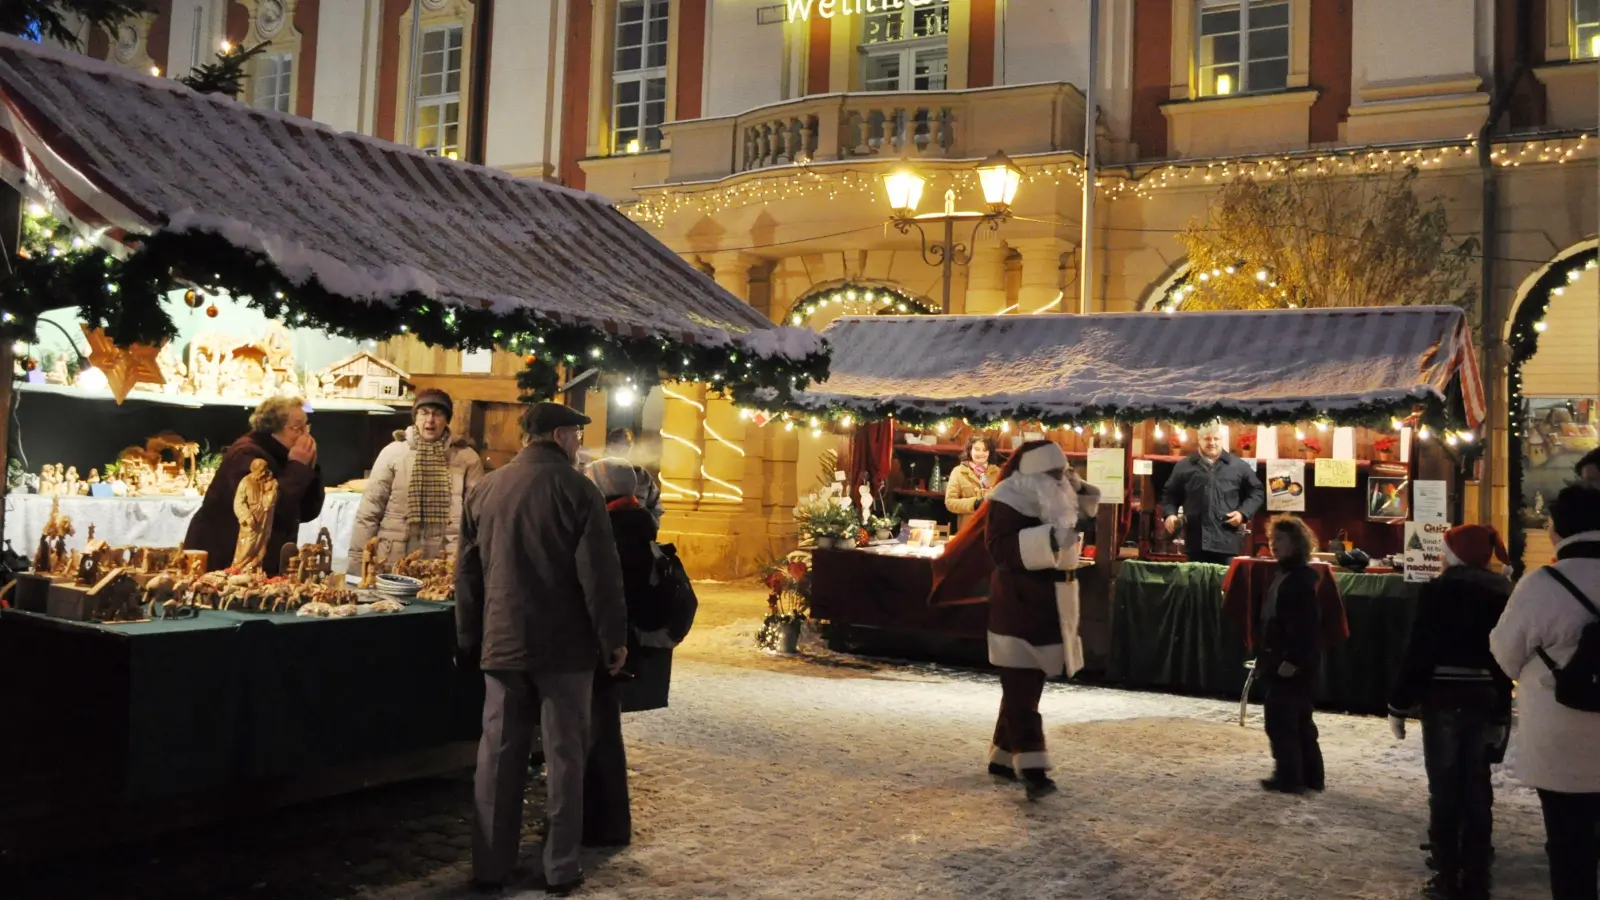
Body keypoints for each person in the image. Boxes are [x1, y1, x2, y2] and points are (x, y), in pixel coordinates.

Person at [455, 402, 629, 896]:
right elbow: (599, 575)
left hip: (502, 644)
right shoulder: (579, 490)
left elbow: (466, 575)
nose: (579, 442)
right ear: (558, 435)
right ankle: (560, 865)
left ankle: (490, 865)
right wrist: (612, 640)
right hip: (565, 649)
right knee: (565, 756)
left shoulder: (485, 488)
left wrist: (468, 637)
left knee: (498, 756)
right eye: (576, 433)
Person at [1387, 525, 1513, 900]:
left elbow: (1419, 651)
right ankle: (1476, 872)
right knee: (1477, 784)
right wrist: (1502, 710)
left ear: (1456, 553)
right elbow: (1505, 658)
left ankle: (1446, 873)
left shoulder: (1437, 591)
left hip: (1442, 696)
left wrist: (1399, 702)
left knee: (1444, 786)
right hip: (1485, 697)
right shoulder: (1502, 592)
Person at [1490, 485, 1600, 900]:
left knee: (1569, 847)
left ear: (1560, 530)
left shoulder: (1542, 585)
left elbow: (1504, 655)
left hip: (1562, 741)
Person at [983, 440, 1100, 801]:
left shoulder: (1057, 492)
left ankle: (1003, 757)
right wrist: (1047, 539)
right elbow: (999, 548)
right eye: (1053, 472)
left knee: (1026, 685)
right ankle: (1033, 768)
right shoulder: (1009, 498)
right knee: (1021, 688)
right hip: (1018, 604)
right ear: (1034, 472)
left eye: (1061, 471)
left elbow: (1087, 506)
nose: (1059, 478)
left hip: (1052, 605)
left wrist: (1080, 488)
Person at [347, 388, 483, 571]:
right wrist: (357, 565)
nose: (430, 420)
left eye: (438, 414)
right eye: (424, 413)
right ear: (415, 417)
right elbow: (369, 513)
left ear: (447, 420)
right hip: (393, 559)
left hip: (445, 560)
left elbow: (477, 516)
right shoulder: (393, 453)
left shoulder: (466, 458)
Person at [184, 396, 323, 576]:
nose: (306, 435)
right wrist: (298, 468)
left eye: (307, 426)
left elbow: (306, 512)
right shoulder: (247, 454)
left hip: (264, 560)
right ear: (273, 428)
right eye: (298, 428)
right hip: (226, 556)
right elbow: (265, 510)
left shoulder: (286, 457)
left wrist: (309, 468)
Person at [1256, 515, 1325, 795]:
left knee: (1282, 719)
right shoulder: (1287, 576)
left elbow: (1306, 627)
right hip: (1288, 659)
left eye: (1280, 540)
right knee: (1298, 718)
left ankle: (1290, 776)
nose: (1273, 545)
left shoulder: (1297, 582)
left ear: (1296, 544)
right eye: (1272, 540)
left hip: (1291, 662)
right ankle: (1310, 776)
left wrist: (1292, 660)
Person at [1160, 422, 1263, 565]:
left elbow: (1257, 491)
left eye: (1216, 439)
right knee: (1196, 586)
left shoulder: (1238, 466)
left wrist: (1242, 513)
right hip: (1195, 542)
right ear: (1199, 439)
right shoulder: (1184, 466)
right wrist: (1170, 514)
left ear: (1222, 440)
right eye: (1208, 439)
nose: (1212, 443)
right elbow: (1169, 494)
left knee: (1224, 586)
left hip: (1226, 542)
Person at [597, 428, 663, 525]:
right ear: (610, 446)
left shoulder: (642, 475)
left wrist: (647, 525)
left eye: (627, 444)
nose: (624, 449)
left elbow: (656, 507)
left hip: (636, 535)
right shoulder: (597, 472)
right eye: (619, 444)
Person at [945, 434, 1002, 531]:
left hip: (992, 530)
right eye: (977, 449)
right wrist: (974, 504)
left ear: (989, 453)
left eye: (985, 450)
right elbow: (950, 502)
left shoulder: (998, 473)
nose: (981, 453)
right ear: (969, 451)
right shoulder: (958, 471)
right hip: (967, 530)